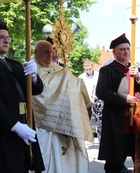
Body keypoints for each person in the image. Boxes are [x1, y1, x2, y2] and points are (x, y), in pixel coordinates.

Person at [0, 17, 45, 173]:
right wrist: (15, 126)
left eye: (7, 38)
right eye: (1, 37)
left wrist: (33, 76)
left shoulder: (15, 65)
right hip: (1, 131)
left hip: (23, 123)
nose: (6, 41)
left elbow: (36, 90)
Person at [96, 33, 140, 173]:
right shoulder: (107, 70)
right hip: (118, 124)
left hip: (139, 124)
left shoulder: (135, 69)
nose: (126, 52)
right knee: (115, 163)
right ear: (114, 52)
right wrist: (123, 99)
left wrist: (139, 76)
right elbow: (101, 92)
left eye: (128, 49)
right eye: (122, 49)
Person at [32, 40, 94, 173]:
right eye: (45, 52)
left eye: (51, 52)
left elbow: (74, 87)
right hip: (45, 125)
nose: (49, 55)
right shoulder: (30, 69)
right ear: (36, 53)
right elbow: (42, 93)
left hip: (65, 124)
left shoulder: (60, 69)